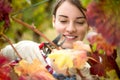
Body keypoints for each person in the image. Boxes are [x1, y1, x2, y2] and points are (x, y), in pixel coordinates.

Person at [1, 0, 98, 80]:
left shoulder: (89, 73)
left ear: (89, 26)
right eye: (63, 21)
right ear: (54, 21)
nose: (70, 29)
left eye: (80, 22)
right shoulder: (25, 50)